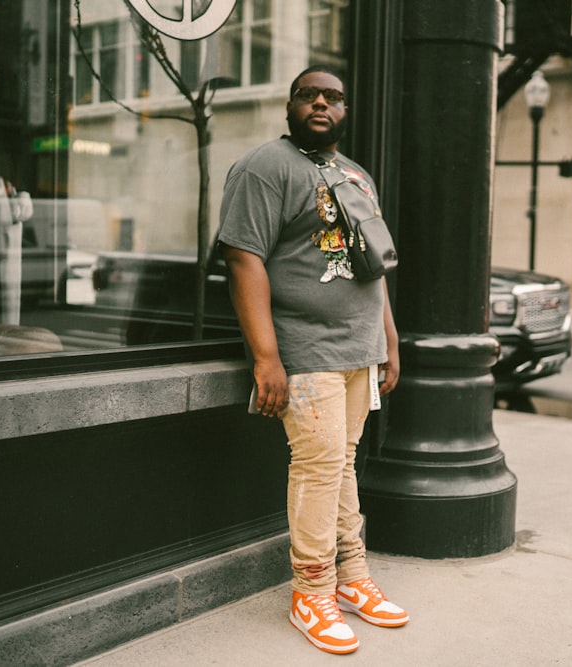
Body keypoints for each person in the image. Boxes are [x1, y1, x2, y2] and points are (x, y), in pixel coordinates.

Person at [217, 65, 407, 655]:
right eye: (309, 95)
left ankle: (351, 579)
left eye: (334, 97)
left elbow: (373, 268)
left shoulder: (355, 174)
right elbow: (243, 259)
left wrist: (389, 341)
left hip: (358, 347)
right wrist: (266, 356)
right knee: (319, 466)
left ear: (345, 111)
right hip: (306, 348)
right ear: (291, 104)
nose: (322, 103)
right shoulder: (264, 167)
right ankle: (311, 591)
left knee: (342, 462)